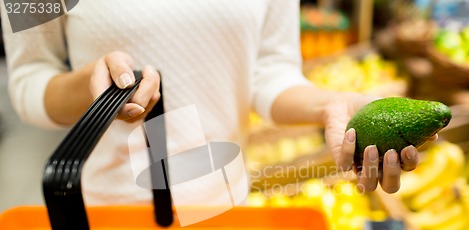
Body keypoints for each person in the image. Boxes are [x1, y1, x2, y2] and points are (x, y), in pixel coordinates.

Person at [1, 0, 424, 205]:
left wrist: (328, 106)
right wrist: (94, 89)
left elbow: (269, 70)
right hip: (111, 214)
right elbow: (27, 78)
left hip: (225, 201)